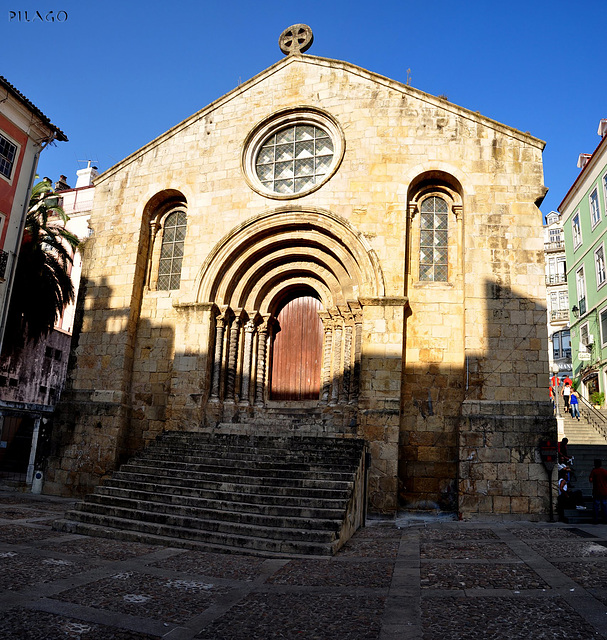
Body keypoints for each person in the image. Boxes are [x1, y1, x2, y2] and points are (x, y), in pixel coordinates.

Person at [589, 459, 607, 524]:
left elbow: (591, 479)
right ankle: (605, 519)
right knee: (604, 505)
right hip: (604, 490)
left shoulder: (594, 471)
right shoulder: (604, 471)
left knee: (596, 505)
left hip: (597, 490)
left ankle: (595, 520)